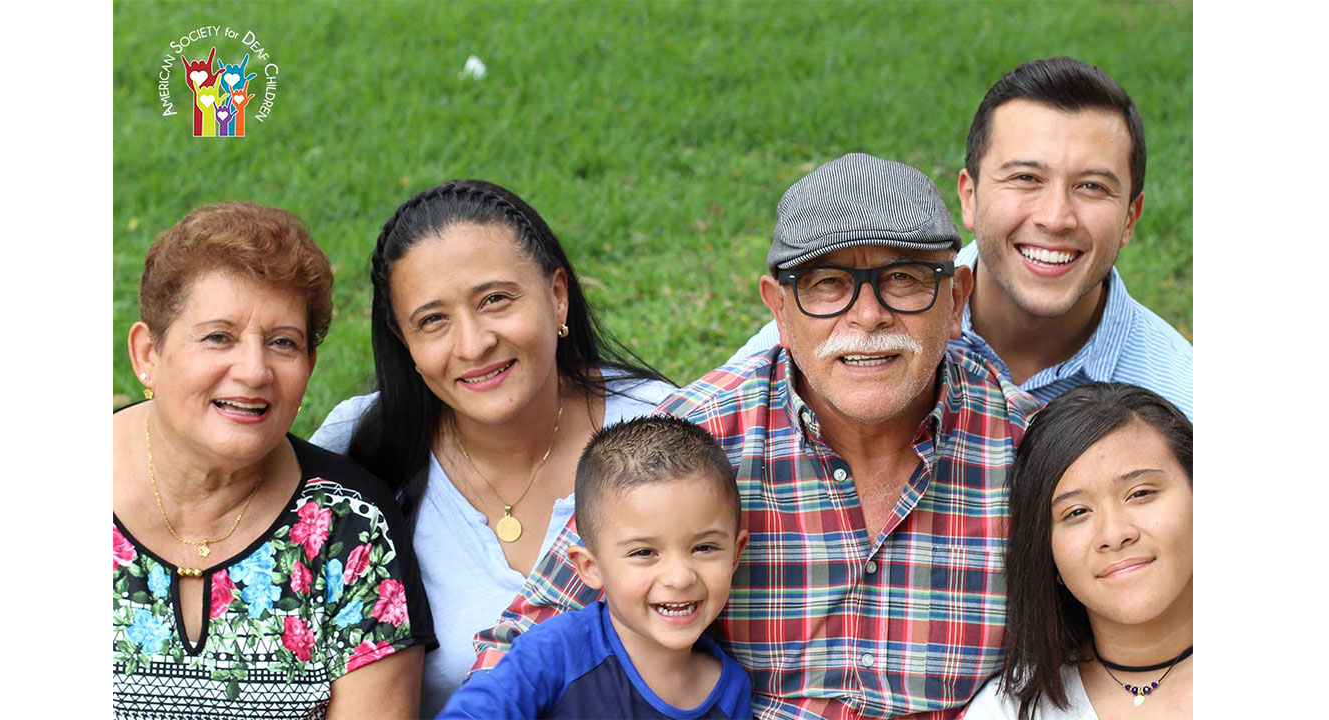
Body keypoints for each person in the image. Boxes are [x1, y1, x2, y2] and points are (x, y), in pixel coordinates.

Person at [472, 154, 1040, 719]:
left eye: (904, 279)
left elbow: (1120, 659)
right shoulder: (696, 441)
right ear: (779, 308)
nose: (868, 315)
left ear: (957, 298)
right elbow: (520, 647)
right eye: (828, 284)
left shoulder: (1031, 451)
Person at [308, 179, 677, 715]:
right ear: (402, 339)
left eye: (495, 300)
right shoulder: (361, 445)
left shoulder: (661, 426)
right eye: (432, 320)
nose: (473, 343)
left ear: (557, 295)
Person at [729, 57, 1192, 419]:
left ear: (1131, 217)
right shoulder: (863, 314)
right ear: (968, 197)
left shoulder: (1182, 401)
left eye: (1092, 186)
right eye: (1026, 178)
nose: (1056, 218)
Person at [113, 202, 434, 718]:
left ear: (308, 367)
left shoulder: (349, 528)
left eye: (283, 343)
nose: (254, 370)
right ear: (148, 353)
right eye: (219, 336)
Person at [438, 416, 753, 719]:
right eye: (645, 552)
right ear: (590, 566)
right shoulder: (553, 655)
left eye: (704, 548)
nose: (680, 577)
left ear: (735, 553)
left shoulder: (730, 692)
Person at [962, 383, 1192, 719]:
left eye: (1140, 493)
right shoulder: (1010, 712)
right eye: (1077, 513)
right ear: (1047, 551)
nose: (1114, 535)